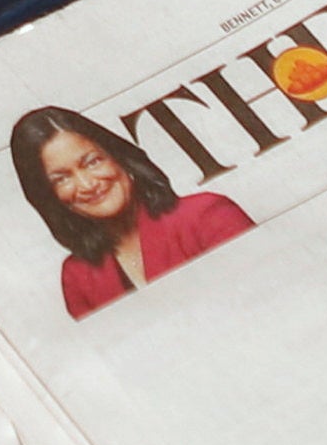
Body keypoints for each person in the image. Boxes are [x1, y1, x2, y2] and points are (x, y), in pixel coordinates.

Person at [13, 106, 250, 318]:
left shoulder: (208, 215)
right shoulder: (77, 276)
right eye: (62, 178)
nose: (87, 185)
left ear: (119, 157)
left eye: (93, 162)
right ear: (49, 197)